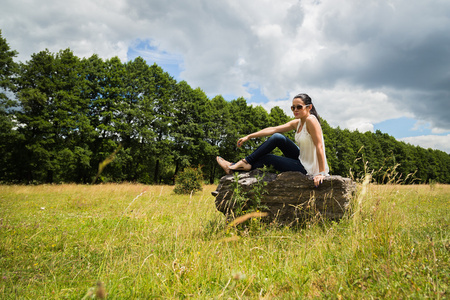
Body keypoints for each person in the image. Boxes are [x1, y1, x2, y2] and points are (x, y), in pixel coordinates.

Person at [216, 93, 329, 187]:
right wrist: (249, 136)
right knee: (277, 137)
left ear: (309, 107)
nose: (295, 110)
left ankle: (235, 166)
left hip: (309, 168)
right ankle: (244, 163)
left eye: (299, 107)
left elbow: (319, 146)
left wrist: (321, 173)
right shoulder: (298, 122)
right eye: (293, 107)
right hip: (302, 159)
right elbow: (273, 129)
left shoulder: (311, 120)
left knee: (268, 158)